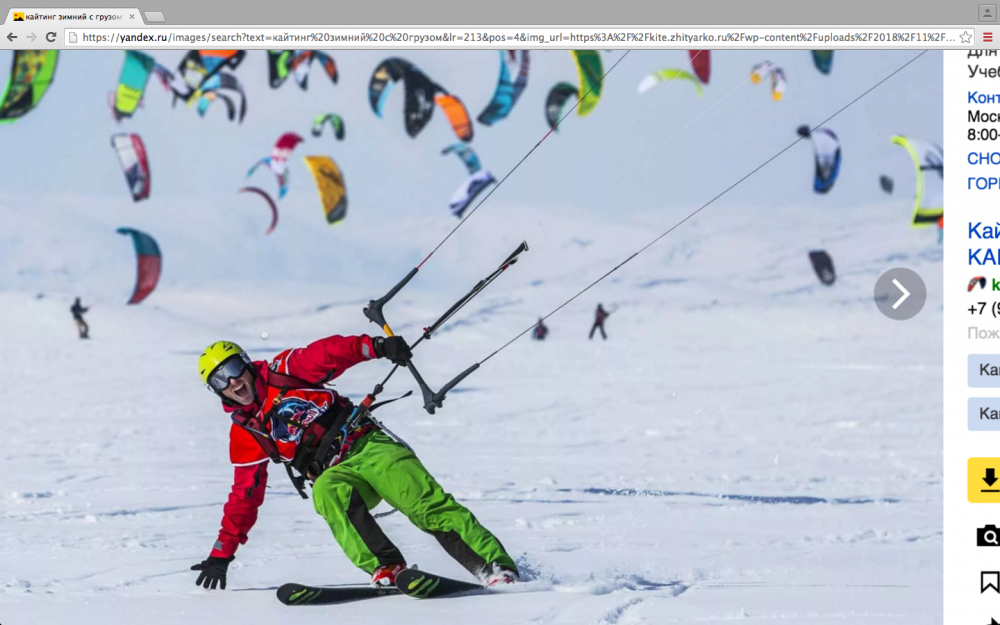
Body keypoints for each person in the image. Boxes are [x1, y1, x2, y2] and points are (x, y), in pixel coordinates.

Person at [190, 336, 519, 591]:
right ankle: (387, 565)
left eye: (233, 370)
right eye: (220, 381)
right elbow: (244, 496)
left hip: (368, 447)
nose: (232, 383)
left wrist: (375, 347)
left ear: (247, 365)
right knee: (325, 490)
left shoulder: (285, 370)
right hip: (337, 473)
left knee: (423, 505)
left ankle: (494, 567)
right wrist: (222, 552)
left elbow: (329, 353)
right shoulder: (246, 432)